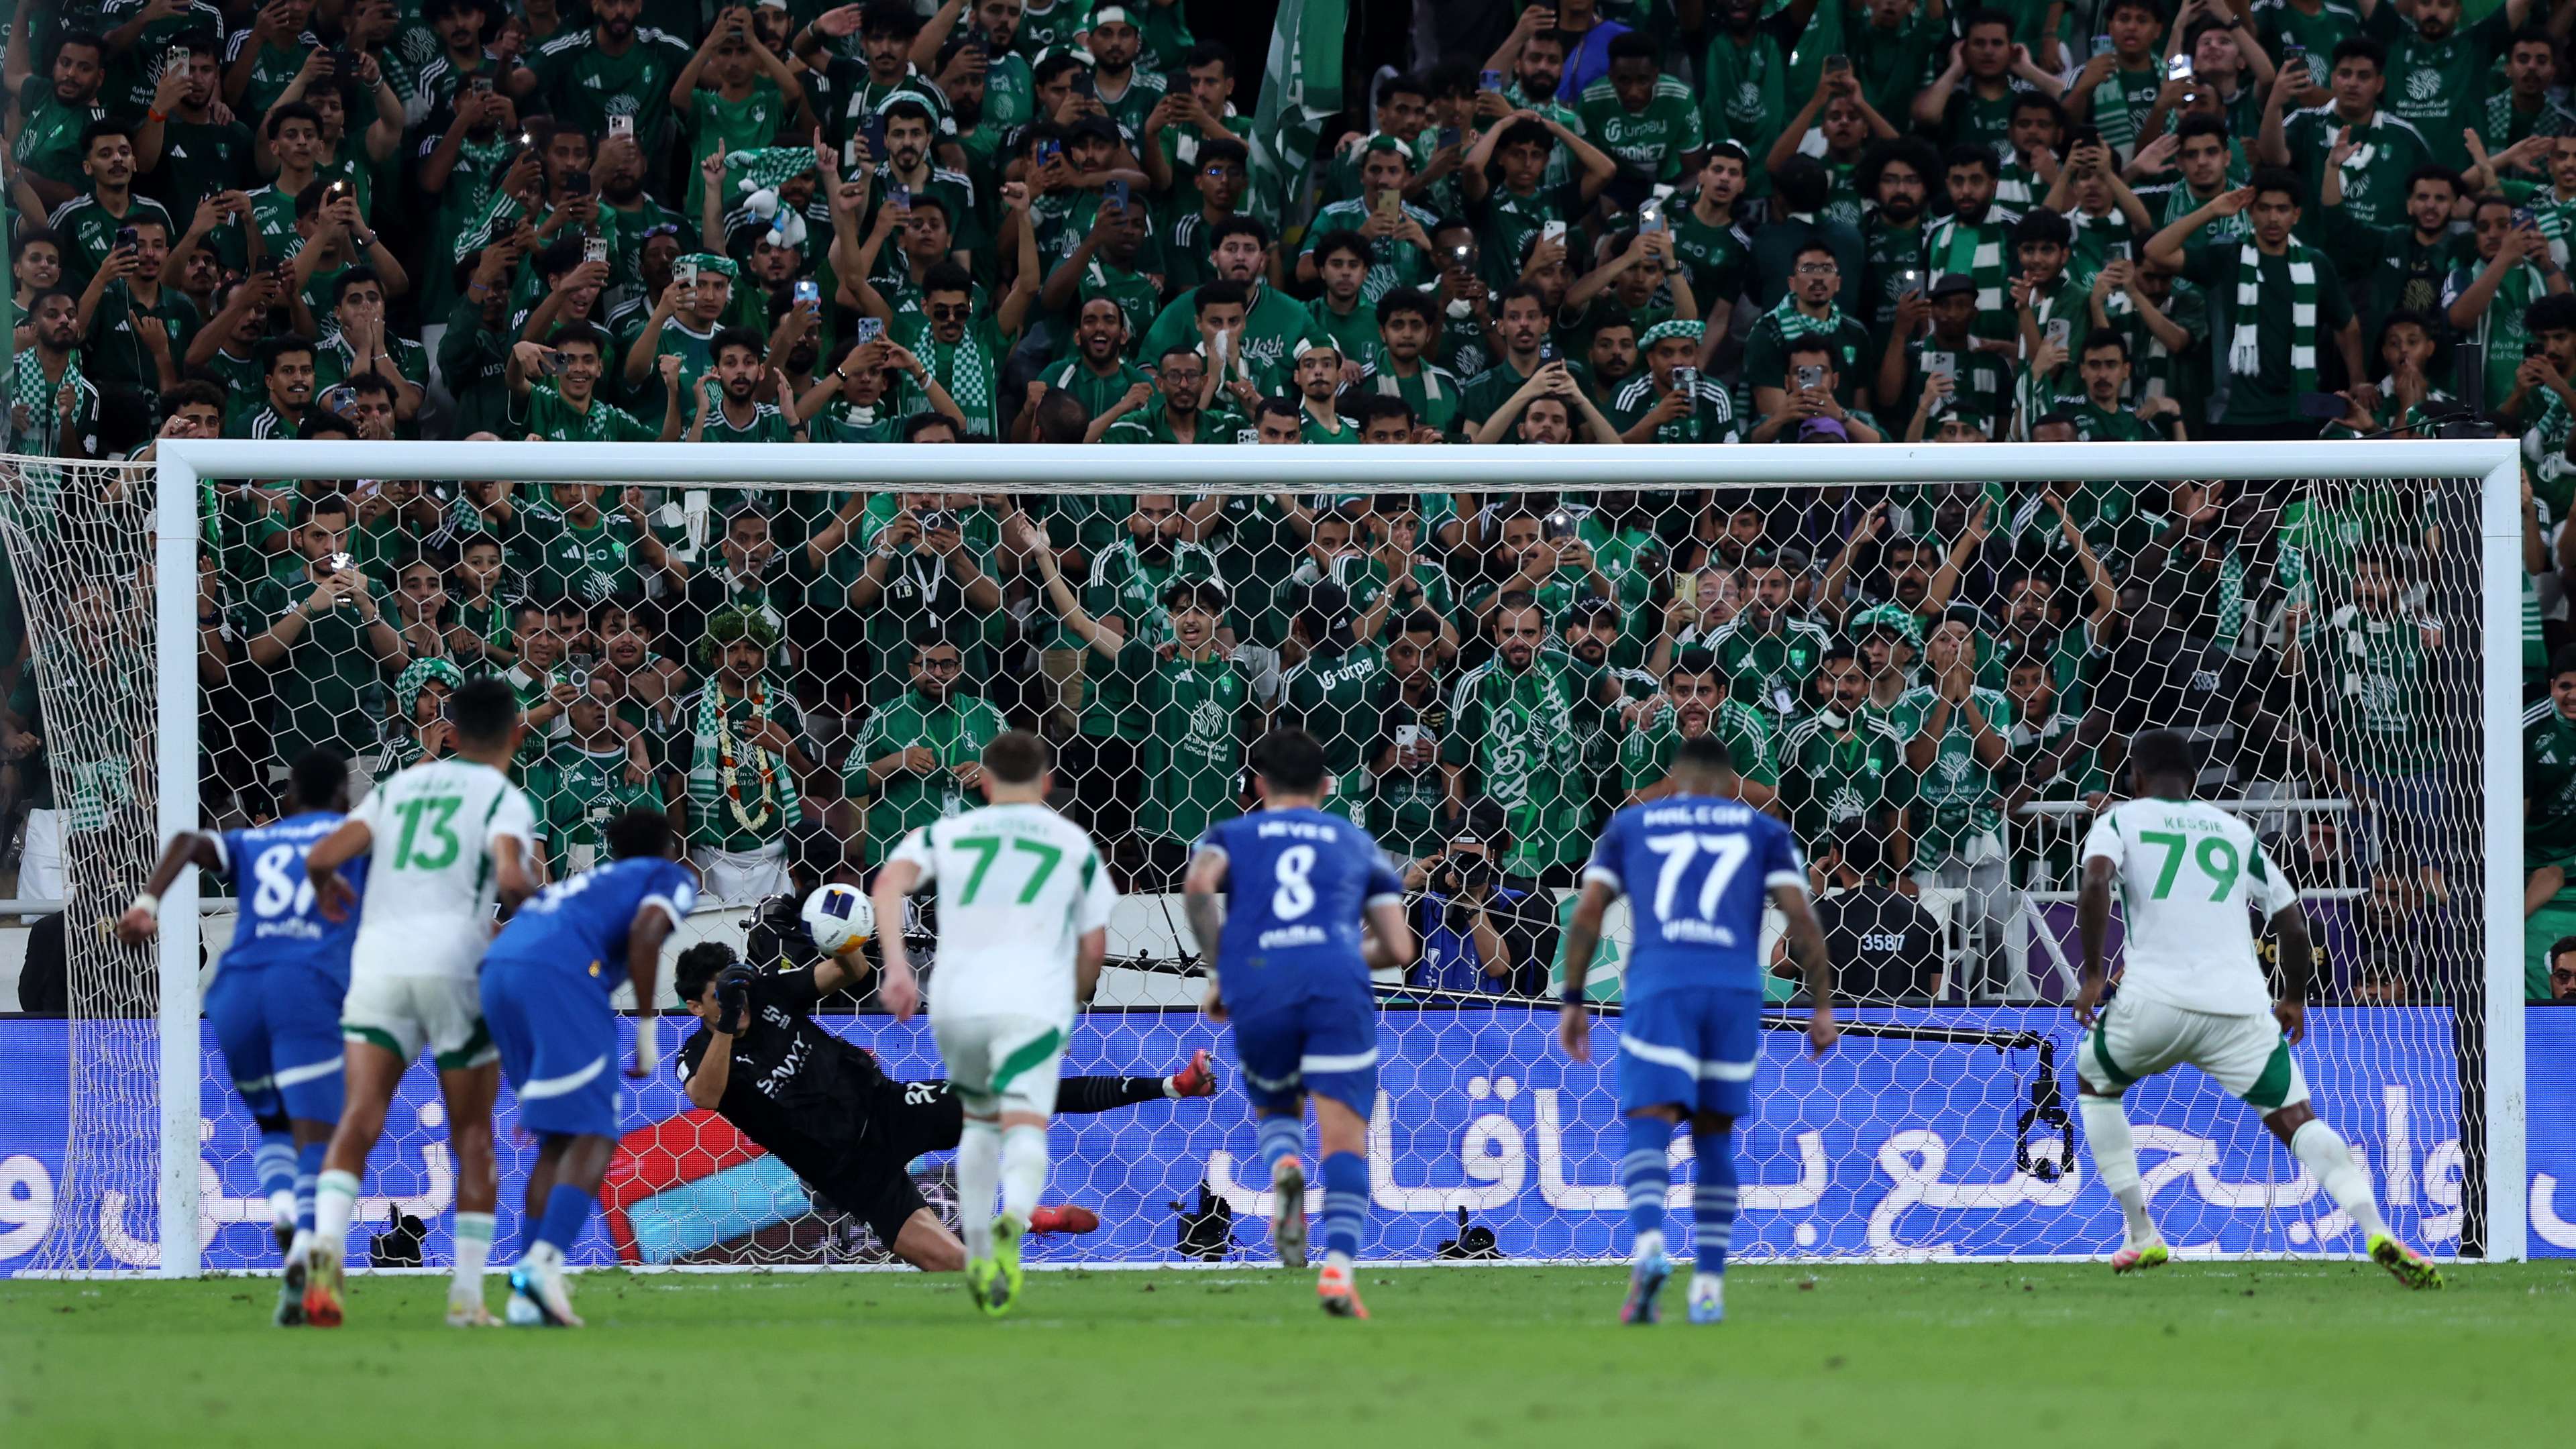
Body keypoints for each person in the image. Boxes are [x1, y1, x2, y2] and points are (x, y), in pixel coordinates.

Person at [2073, 727, 2438, 1287]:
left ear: (2135, 779)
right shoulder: (2233, 830)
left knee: (2096, 1083)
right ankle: (2376, 1228)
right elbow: (2292, 920)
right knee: (2298, 1121)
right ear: (2194, 780)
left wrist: (2095, 974)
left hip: (2154, 1002)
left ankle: (2141, 1234)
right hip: (2240, 1009)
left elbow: (2095, 880)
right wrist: (2294, 996)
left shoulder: (2120, 819)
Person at [674, 920, 1216, 1273]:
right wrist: (725, 1024)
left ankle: (1173, 1085)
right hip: (846, 1172)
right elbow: (706, 1097)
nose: (737, 999)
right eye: (721, 995)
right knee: (962, 1272)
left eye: (737, 986)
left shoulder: (765, 994)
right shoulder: (700, 1053)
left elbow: (849, 972)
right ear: (696, 1007)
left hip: (887, 1108)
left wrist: (844, 937)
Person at [1559, 733, 1835, 1326]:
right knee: (1713, 1137)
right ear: (1730, 783)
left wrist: (1574, 998)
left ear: (1675, 779)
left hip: (1661, 985)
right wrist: (1822, 1006)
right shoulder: (1762, 833)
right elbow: (1801, 918)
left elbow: (1587, 914)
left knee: (1650, 1119)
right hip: (1735, 993)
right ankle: (1708, 1285)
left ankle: (1650, 1246)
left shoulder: (1633, 827)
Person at [299, 675, 539, 1328]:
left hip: (379, 967)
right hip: (455, 967)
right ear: (517, 732)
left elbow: (323, 856)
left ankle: (319, 1283)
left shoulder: (400, 786)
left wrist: (329, 894)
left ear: (450, 731)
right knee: (473, 1139)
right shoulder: (502, 796)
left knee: (359, 1121)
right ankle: (465, 1300)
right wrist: (535, 911)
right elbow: (514, 878)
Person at [867, 730, 1117, 1316]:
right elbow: (1094, 942)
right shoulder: (1071, 842)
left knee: (978, 1123)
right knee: (1026, 1121)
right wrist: (1076, 992)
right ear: (1047, 783)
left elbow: (887, 884)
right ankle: (1014, 1221)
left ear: (982, 781)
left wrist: (899, 968)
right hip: (1030, 995)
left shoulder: (951, 831)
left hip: (960, 995)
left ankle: (979, 1249)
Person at [115, 747, 359, 1326]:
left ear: (289, 798)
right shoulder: (355, 839)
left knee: (273, 1125)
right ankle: (311, 1264)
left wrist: (148, 901)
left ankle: (281, 1211)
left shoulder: (259, 839)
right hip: (306, 991)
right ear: (344, 799)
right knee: (322, 1140)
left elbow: (189, 841)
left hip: (233, 996)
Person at [1183, 729, 1415, 1318]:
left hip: (1261, 982)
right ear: (1327, 785)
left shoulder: (1232, 834)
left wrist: (1226, 970)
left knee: (1280, 1112)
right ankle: (1337, 1272)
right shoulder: (1354, 840)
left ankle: (1285, 1167)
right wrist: (1334, 955)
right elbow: (1398, 946)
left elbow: (1197, 885)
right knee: (1345, 1143)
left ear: (1258, 785)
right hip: (1336, 987)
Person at [477, 808, 694, 1327]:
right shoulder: (668, 876)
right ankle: (544, 1266)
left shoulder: (586, 883)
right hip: (560, 978)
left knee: (557, 1140)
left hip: (499, 970)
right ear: (668, 845)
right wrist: (647, 1030)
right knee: (595, 1135)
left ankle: (527, 1292)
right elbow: (646, 934)